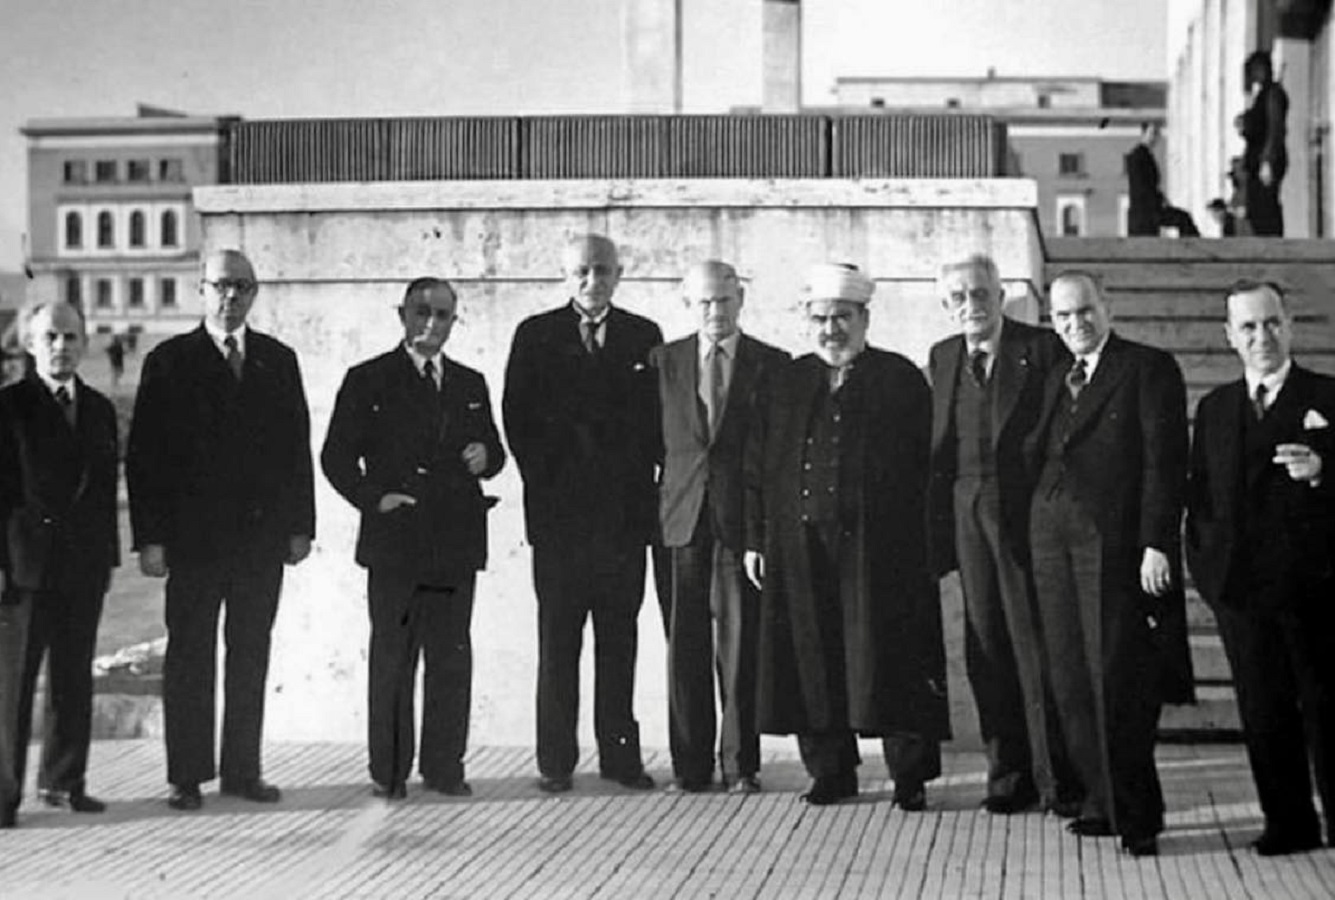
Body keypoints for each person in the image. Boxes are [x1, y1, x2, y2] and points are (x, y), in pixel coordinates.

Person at [743, 263, 948, 807]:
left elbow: (927, 468)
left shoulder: (900, 379)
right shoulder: (785, 382)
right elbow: (758, 467)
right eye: (821, 319)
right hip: (801, 548)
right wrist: (756, 539)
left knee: (892, 655)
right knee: (813, 659)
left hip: (881, 551)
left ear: (864, 319)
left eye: (842, 318)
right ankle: (831, 771)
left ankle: (909, 777)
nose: (831, 329)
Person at [126, 249, 315, 812]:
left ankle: (242, 771)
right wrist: (151, 538)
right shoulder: (169, 361)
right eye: (221, 285)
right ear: (201, 290)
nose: (231, 296)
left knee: (250, 653)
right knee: (190, 656)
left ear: (254, 293)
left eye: (242, 286)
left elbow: (295, 449)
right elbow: (145, 457)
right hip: (194, 543)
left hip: (260, 540)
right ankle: (186, 775)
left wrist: (300, 527)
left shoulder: (278, 360)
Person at [1025, 271, 1193, 857]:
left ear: (1108, 307)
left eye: (1084, 311)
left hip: (1114, 547)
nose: (1075, 324)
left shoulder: (1147, 367)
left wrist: (1157, 542)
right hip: (1051, 539)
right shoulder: (1055, 376)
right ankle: (1100, 801)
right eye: (1063, 316)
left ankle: (1138, 815)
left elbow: (1165, 461)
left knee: (1118, 680)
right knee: (1070, 677)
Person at [322, 277, 505, 800]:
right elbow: (336, 457)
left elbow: (495, 451)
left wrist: (486, 457)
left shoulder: (470, 382)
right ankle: (390, 771)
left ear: (454, 321)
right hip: (397, 544)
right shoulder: (369, 379)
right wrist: (373, 499)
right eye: (421, 312)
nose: (431, 323)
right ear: (401, 314)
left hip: (454, 542)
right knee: (394, 658)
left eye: (442, 315)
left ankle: (445, 767)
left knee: (450, 658)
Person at [502, 234, 663, 793]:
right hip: (560, 523)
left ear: (619, 273)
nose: (592, 281)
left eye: (602, 270)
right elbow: (518, 421)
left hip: (623, 522)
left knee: (619, 642)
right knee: (559, 644)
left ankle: (620, 757)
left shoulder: (643, 336)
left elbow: (654, 424)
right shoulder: (536, 335)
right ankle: (555, 762)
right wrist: (554, 488)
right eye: (581, 272)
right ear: (565, 275)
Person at [1185, 280, 1335, 856]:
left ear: (1290, 325)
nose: (1261, 336)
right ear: (1229, 336)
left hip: (1316, 587)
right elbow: (1201, 497)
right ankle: (1288, 823)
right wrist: (1211, 575)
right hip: (1242, 593)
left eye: (1271, 323)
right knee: (1263, 711)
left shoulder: (1326, 395)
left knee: (1325, 709)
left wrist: (1322, 470)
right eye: (1247, 327)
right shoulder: (1216, 408)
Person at [926, 254, 1073, 815]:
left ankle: (1058, 780)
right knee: (985, 647)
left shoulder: (1040, 348)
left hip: (1025, 512)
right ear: (946, 306)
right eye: (958, 297)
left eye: (980, 293)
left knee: (1036, 646)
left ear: (1001, 294)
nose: (971, 305)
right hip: (966, 513)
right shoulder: (943, 356)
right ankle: (1008, 778)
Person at [650, 261, 788, 794]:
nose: (715, 311)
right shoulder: (663, 362)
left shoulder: (770, 364)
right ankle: (689, 767)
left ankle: (740, 765)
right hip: (680, 521)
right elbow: (652, 442)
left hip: (740, 525)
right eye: (705, 302)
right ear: (689, 304)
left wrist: (760, 534)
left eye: (724, 300)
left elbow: (773, 455)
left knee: (740, 646)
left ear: (741, 299)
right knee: (683, 646)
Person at [0, 302, 119, 829]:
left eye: (71, 337)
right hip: (23, 569)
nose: (61, 346)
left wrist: (107, 556)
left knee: (73, 678)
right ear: (30, 344)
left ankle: (64, 782)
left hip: (83, 567)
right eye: (50, 336)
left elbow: (102, 493)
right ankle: (4, 794)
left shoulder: (98, 409)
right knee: (14, 686)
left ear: (85, 343)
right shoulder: (9, 407)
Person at [1238, 50, 1289, 236]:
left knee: (1265, 210)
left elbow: (1275, 129)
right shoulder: (1263, 95)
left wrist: (1267, 160)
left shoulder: (1272, 94)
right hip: (1258, 161)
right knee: (1259, 209)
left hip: (1264, 160)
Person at [1125, 123, 1200, 237]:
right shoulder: (1138, 156)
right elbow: (1142, 186)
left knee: (1182, 218)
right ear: (1143, 134)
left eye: (1157, 134)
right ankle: (1193, 245)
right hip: (1146, 211)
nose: (1155, 137)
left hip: (1149, 209)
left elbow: (1151, 185)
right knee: (1183, 218)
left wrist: (1162, 199)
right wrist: (1158, 202)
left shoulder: (1145, 155)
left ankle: (1192, 244)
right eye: (1152, 133)